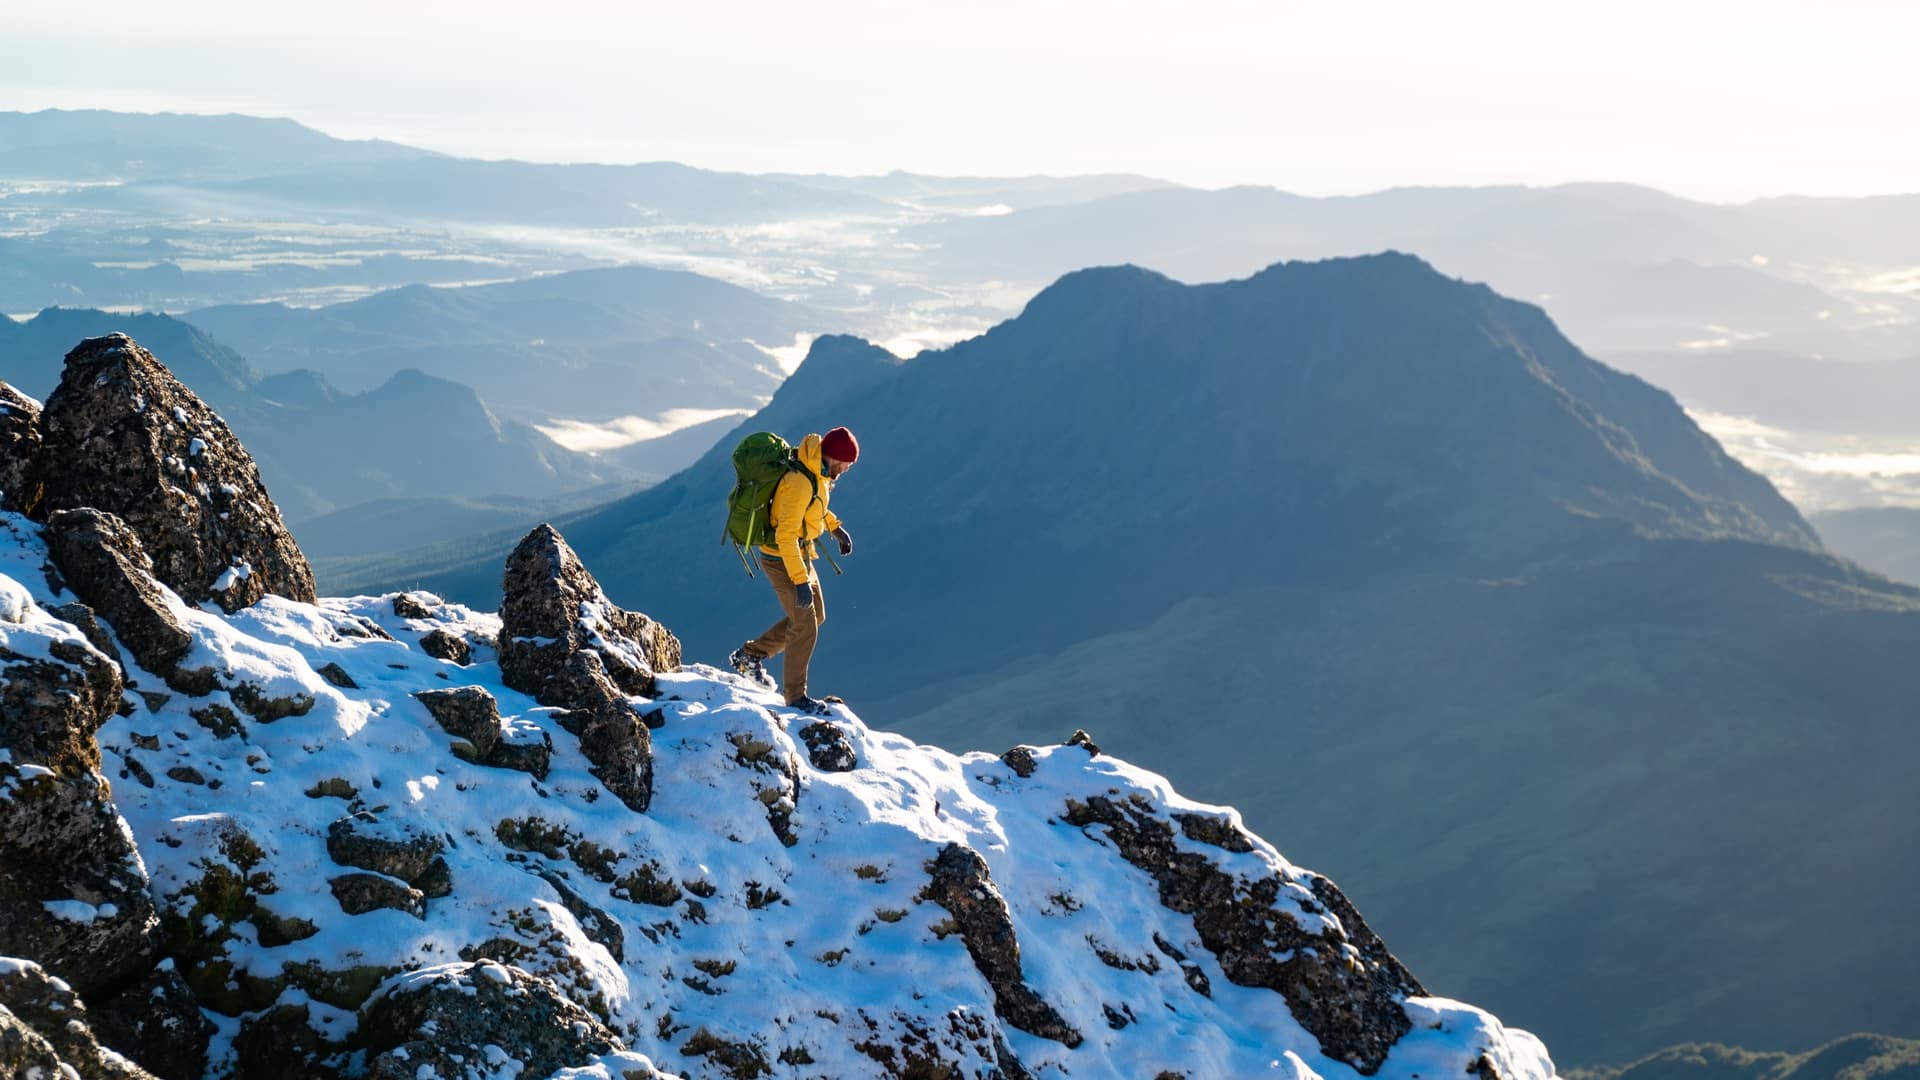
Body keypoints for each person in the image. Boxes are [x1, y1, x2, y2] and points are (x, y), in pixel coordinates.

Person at [730, 426, 858, 714]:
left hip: (801, 555)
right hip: (782, 560)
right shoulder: (800, 481)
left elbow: (816, 509)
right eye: (848, 462)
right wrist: (799, 581)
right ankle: (795, 697)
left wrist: (836, 529)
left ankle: (750, 655)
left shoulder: (818, 475)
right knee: (805, 624)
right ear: (835, 457)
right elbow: (785, 534)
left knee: (817, 615)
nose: (849, 468)